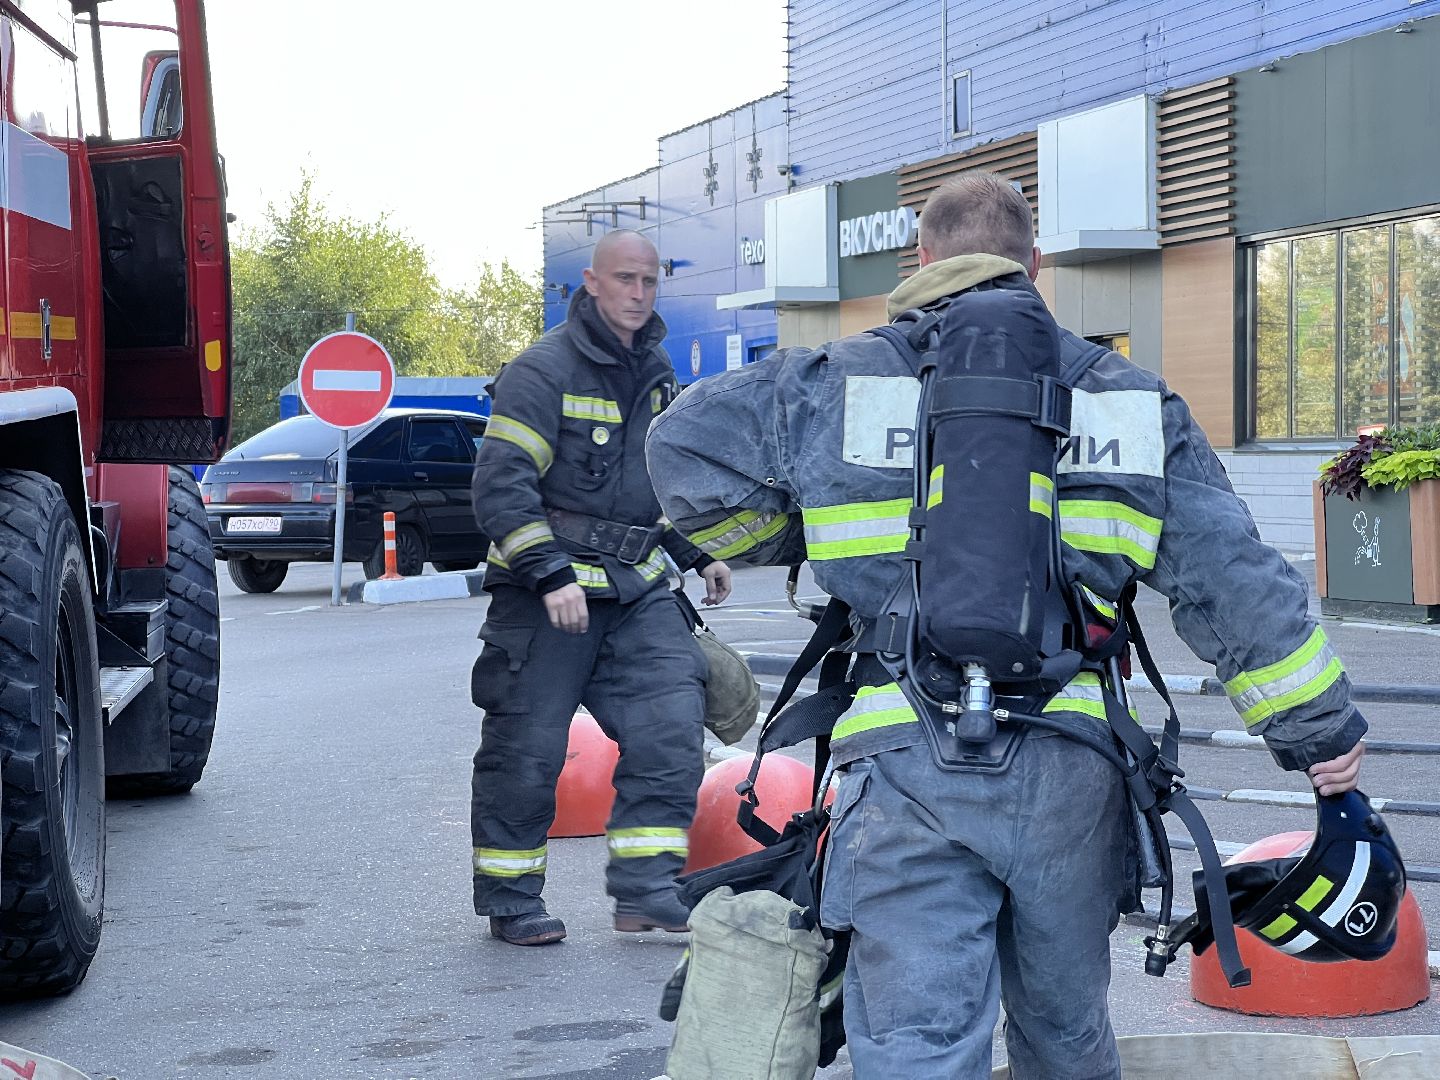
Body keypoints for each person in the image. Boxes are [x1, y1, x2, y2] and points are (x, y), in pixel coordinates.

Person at [645, 174, 1365, 1077]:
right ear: (1035, 264)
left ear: (921, 261)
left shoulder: (829, 383)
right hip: (1071, 767)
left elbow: (677, 449)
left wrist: (795, 530)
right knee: (1066, 1039)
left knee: (916, 1045)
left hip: (902, 762)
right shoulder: (1125, 397)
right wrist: (1318, 731)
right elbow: (1232, 577)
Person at [469, 229, 732, 947]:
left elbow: (654, 482)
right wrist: (548, 573)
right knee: (526, 754)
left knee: (671, 730)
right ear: (591, 282)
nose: (638, 294)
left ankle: (645, 891)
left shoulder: (656, 369)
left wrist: (696, 551)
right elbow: (500, 486)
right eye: (624, 279)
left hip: (637, 592)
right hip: (544, 597)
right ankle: (511, 898)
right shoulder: (541, 370)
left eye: (649, 281)